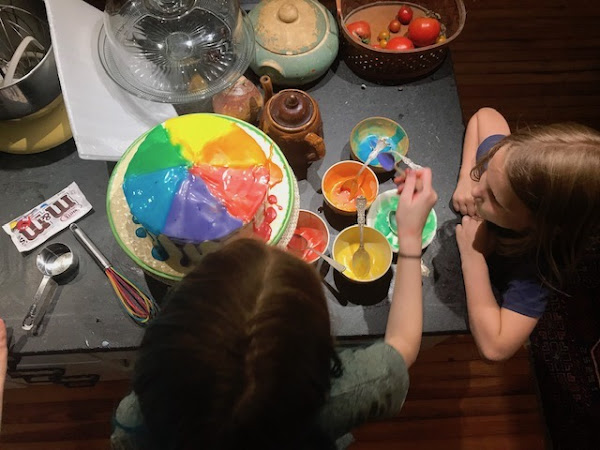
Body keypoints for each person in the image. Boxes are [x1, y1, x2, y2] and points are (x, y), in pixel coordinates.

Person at [110, 168, 437, 450]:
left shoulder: (137, 419)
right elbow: (402, 345)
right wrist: (409, 239)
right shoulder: (351, 391)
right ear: (321, 352)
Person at [452, 107, 600, 361]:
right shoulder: (507, 167)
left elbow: (496, 348)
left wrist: (472, 256)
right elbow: (485, 116)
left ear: (539, 226)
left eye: (495, 199)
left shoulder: (541, 263)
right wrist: (468, 175)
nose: (478, 192)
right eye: (485, 176)